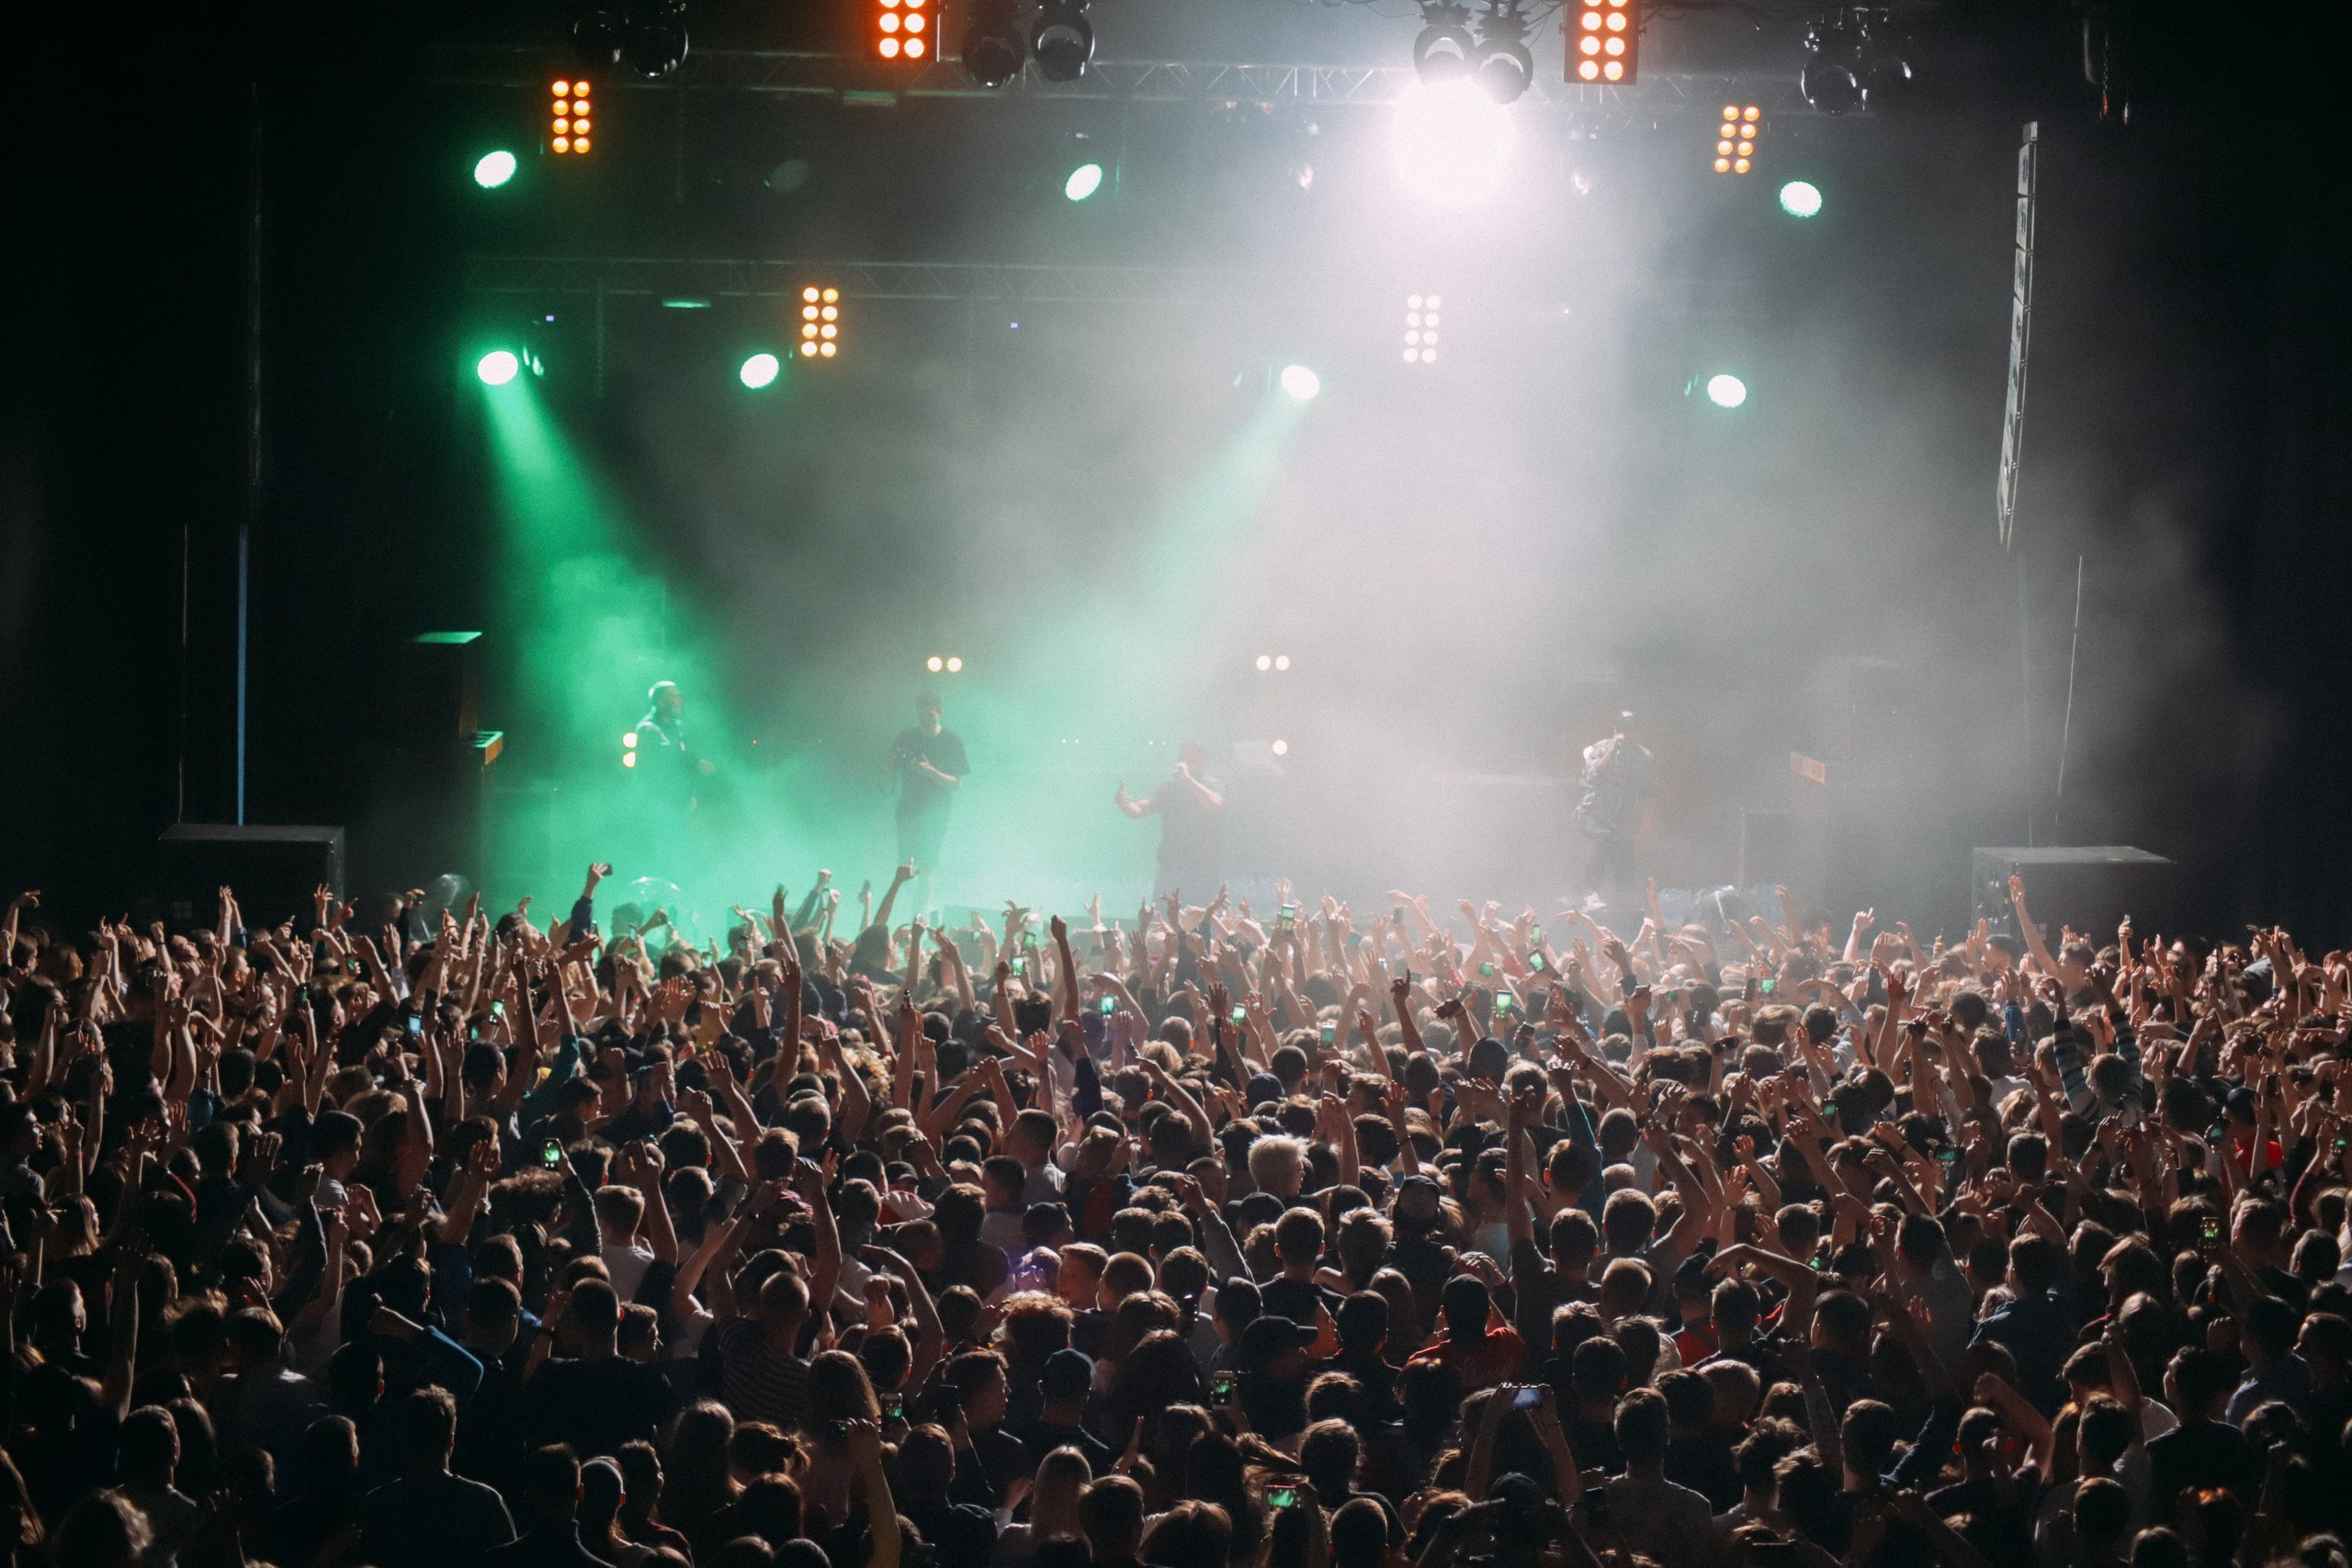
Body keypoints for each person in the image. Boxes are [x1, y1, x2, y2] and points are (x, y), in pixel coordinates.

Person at [886, 691, 967, 916]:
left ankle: (920, 914)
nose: (925, 717)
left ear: (940, 713)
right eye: (921, 712)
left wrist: (929, 771)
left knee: (927, 864)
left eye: (930, 713)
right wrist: (895, 762)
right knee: (905, 864)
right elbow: (891, 769)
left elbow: (956, 784)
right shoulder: (906, 737)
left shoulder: (952, 742)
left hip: (936, 811)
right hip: (909, 808)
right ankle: (918, 908)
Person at [1114, 740, 1226, 899]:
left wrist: (1187, 778)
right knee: (1163, 913)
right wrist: (1124, 804)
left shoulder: (1212, 784)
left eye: (1191, 757)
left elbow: (1215, 804)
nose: (1185, 761)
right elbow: (1139, 810)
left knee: (1204, 913)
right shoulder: (1169, 788)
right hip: (1171, 867)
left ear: (1202, 761)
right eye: (1183, 757)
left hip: (1203, 869)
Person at [1574, 710, 1652, 907]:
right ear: (1615, 729)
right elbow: (1592, 774)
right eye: (1621, 728)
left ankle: (1624, 900)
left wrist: (1638, 817)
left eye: (1629, 728)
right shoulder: (1600, 748)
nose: (1625, 732)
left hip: (1620, 819)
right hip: (1592, 813)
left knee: (1625, 851)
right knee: (1604, 839)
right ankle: (1590, 892)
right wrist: (1612, 750)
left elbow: (1646, 790)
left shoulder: (1642, 756)